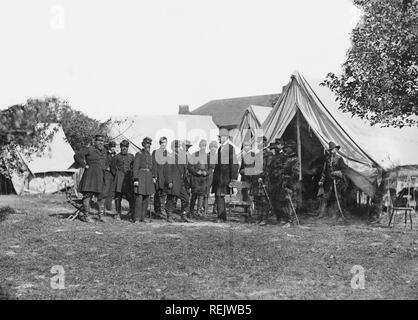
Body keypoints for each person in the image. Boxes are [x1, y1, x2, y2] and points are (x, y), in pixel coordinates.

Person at [74, 134, 108, 221]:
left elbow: (107, 161)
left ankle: (101, 215)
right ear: (95, 141)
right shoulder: (89, 149)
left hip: (100, 176)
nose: (101, 142)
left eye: (102, 141)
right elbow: (77, 156)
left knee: (102, 196)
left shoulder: (104, 151)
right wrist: (84, 165)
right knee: (87, 196)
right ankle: (87, 216)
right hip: (90, 176)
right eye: (99, 141)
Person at [212, 128, 239, 222]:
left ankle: (221, 218)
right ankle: (221, 217)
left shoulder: (230, 148)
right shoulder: (220, 148)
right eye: (219, 137)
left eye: (220, 137)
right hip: (219, 178)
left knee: (220, 197)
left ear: (225, 137)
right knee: (218, 197)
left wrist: (233, 181)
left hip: (225, 179)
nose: (219, 139)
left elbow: (234, 165)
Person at [317, 141, 348, 218]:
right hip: (328, 181)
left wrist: (336, 173)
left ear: (336, 150)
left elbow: (343, 170)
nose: (332, 151)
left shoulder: (340, 159)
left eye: (333, 149)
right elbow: (324, 171)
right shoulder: (327, 159)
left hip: (337, 181)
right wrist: (321, 180)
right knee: (325, 196)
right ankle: (321, 213)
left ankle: (336, 214)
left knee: (337, 196)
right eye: (330, 150)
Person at [164, 140, 191, 223]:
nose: (179, 148)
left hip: (181, 182)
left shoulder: (181, 156)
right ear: (173, 148)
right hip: (173, 182)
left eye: (179, 146)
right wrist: (169, 182)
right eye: (177, 147)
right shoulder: (170, 157)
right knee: (171, 199)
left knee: (186, 198)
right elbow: (167, 170)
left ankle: (183, 215)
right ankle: (169, 216)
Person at [251, 136, 274, 224]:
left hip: (265, 180)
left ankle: (264, 218)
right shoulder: (257, 154)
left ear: (265, 143)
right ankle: (259, 217)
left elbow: (269, 168)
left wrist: (263, 177)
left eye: (261, 142)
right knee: (257, 199)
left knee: (264, 200)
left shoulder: (269, 154)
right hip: (256, 180)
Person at [132, 137, 155, 223]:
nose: (148, 145)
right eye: (146, 144)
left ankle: (143, 217)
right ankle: (137, 218)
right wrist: (136, 179)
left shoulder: (150, 155)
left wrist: (153, 177)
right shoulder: (139, 154)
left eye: (149, 144)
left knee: (146, 198)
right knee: (139, 198)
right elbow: (135, 167)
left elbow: (152, 167)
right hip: (141, 176)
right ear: (143, 144)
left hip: (148, 177)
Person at [110, 140, 134, 219]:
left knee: (130, 196)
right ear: (120, 147)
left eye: (126, 147)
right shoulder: (116, 157)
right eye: (123, 147)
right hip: (119, 179)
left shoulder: (131, 156)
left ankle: (131, 212)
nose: (124, 148)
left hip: (128, 179)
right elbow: (112, 168)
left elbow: (133, 167)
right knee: (118, 196)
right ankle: (118, 213)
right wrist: (117, 175)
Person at [188, 139, 209, 217]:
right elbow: (189, 166)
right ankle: (191, 211)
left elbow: (210, 168)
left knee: (201, 195)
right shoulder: (195, 155)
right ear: (200, 146)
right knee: (194, 195)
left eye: (205, 145)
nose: (203, 147)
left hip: (203, 179)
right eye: (202, 145)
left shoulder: (208, 156)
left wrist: (206, 172)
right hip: (196, 178)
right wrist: (196, 172)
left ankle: (199, 211)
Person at [99, 140, 117, 216]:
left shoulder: (115, 155)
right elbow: (102, 163)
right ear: (109, 147)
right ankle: (101, 208)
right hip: (107, 173)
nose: (113, 148)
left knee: (111, 191)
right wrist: (106, 168)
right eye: (112, 147)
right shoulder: (106, 154)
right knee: (105, 190)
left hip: (113, 174)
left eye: (114, 147)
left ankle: (108, 207)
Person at [152, 137, 169, 219]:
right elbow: (154, 165)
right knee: (157, 194)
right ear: (160, 143)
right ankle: (157, 211)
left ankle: (162, 210)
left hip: (165, 177)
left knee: (163, 194)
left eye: (165, 142)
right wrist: (154, 176)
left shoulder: (167, 153)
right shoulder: (156, 152)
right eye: (162, 142)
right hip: (158, 176)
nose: (164, 144)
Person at [239, 140, 256, 217]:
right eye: (244, 146)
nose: (245, 147)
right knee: (244, 194)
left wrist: (246, 171)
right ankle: (246, 210)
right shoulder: (243, 155)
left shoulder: (253, 155)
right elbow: (242, 167)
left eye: (247, 145)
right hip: (244, 177)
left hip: (250, 178)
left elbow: (254, 167)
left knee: (250, 194)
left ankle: (251, 211)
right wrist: (241, 171)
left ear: (250, 147)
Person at [204, 140, 218, 215]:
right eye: (212, 147)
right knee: (206, 192)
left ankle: (215, 209)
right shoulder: (207, 156)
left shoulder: (218, 156)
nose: (213, 149)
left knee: (217, 192)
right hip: (209, 175)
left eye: (215, 147)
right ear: (209, 148)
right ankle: (205, 208)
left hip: (216, 176)